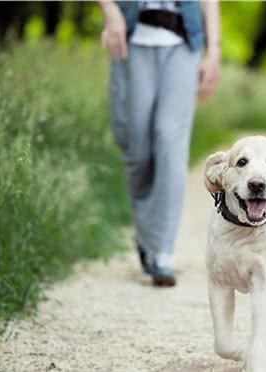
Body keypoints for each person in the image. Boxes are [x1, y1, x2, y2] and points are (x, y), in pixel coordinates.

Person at [99, 0, 221, 287]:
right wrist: (110, 10)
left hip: (183, 42)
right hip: (132, 37)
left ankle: (162, 251)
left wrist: (213, 52)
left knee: (170, 141)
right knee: (138, 149)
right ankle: (146, 234)